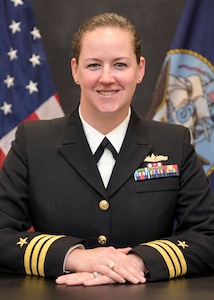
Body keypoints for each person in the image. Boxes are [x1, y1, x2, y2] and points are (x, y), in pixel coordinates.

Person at [0, 12, 214, 286]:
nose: (107, 78)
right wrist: (75, 257)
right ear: (75, 70)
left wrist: (136, 262)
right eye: (93, 65)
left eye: (120, 64)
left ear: (140, 70)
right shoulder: (33, 141)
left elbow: (207, 235)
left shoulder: (174, 143)